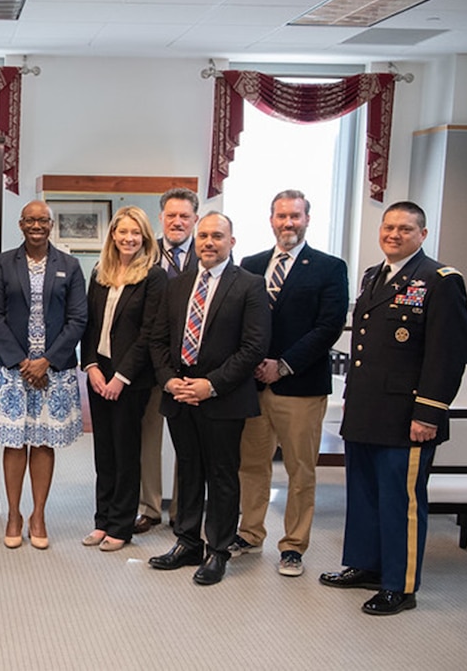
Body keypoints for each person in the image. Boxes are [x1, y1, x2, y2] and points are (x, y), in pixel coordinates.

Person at [320, 201, 467, 615]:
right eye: (388, 227)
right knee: (365, 495)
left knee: (400, 502)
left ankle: (399, 586)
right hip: (367, 410)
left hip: (408, 417)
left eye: (405, 228)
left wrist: (429, 412)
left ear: (422, 234)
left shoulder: (440, 280)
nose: (394, 234)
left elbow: (447, 355)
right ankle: (366, 566)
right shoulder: (375, 275)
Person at [231, 190, 348, 577]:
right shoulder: (251, 264)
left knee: (300, 470)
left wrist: (283, 365)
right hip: (253, 387)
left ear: (307, 219)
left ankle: (294, 545)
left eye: (295, 216)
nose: (288, 223)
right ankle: (249, 534)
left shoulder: (329, 267)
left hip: (299, 386)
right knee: (252, 465)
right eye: (281, 216)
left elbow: (328, 327)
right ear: (271, 220)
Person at [148, 212, 269, 585]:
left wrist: (210, 385)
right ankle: (187, 542)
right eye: (203, 236)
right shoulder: (178, 284)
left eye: (217, 236)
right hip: (180, 395)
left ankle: (218, 549)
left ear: (232, 242)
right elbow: (158, 339)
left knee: (221, 474)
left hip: (223, 398)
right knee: (188, 469)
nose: (208, 243)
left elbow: (253, 347)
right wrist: (170, 381)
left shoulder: (250, 285)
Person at [0, 200, 87, 550]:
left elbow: (78, 319)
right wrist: (22, 361)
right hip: (12, 370)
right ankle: (13, 514)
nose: (37, 225)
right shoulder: (2, 263)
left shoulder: (69, 265)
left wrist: (48, 361)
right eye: (31, 220)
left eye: (43, 220)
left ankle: (38, 515)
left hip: (53, 372)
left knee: (42, 442)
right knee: (14, 442)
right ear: (21, 224)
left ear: (51, 225)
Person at [81, 207, 167, 552]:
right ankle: (102, 521)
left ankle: (121, 526)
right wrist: (90, 366)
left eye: (136, 233)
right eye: (123, 232)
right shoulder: (100, 272)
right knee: (104, 452)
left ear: (144, 237)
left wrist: (121, 376)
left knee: (126, 451)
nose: (129, 238)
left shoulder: (154, 276)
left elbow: (149, 333)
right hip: (99, 372)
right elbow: (89, 325)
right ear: (113, 235)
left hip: (130, 379)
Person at [135, 187, 201, 534]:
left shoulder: (207, 255)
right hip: (149, 364)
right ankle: (149, 506)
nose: (178, 222)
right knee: (149, 438)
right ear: (161, 218)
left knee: (187, 441)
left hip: (192, 367)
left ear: (195, 220)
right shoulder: (145, 254)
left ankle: (182, 508)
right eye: (171, 216)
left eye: (185, 216)